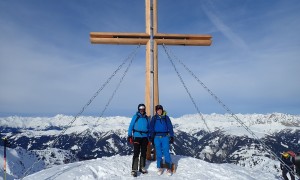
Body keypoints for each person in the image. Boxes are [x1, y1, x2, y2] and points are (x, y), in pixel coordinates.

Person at [150, 105, 174, 176]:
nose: (159, 111)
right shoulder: (154, 118)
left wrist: (172, 136)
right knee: (159, 153)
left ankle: (168, 168)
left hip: (165, 137)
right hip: (156, 137)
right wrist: (151, 137)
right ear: (156, 111)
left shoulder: (166, 118)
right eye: (158, 110)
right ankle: (160, 167)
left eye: (160, 109)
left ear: (162, 110)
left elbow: (170, 127)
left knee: (166, 152)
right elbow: (151, 128)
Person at [128, 103, 150, 177]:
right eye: (140, 108)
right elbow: (131, 126)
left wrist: (149, 137)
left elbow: (149, 128)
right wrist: (129, 135)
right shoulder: (136, 117)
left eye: (143, 108)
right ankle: (134, 169)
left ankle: (142, 167)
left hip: (145, 137)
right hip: (137, 136)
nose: (142, 110)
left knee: (144, 152)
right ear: (138, 109)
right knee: (136, 152)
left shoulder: (147, 118)